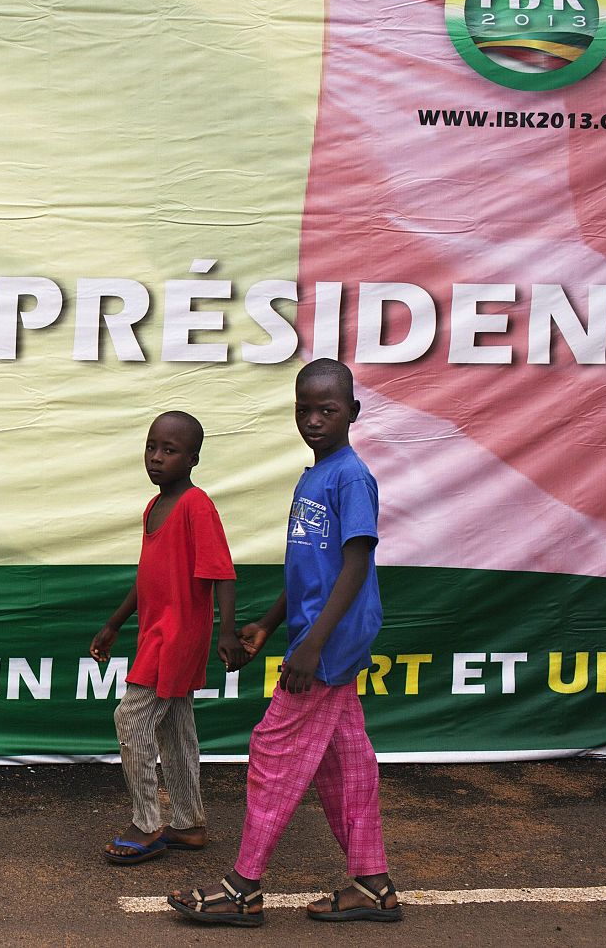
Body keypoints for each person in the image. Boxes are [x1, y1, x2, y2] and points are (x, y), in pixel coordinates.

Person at [169, 358, 400, 924]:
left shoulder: (350, 476)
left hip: (331, 641)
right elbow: (308, 569)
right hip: (314, 634)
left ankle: (243, 889)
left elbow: (354, 563)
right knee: (346, 764)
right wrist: (271, 624)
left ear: (353, 413)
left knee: (273, 749)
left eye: (329, 409)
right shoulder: (312, 476)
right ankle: (373, 885)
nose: (315, 419)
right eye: (305, 409)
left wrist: (314, 645)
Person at [90, 411, 244, 865]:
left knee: (131, 719)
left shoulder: (197, 505)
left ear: (193, 459)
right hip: (156, 633)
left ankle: (145, 821)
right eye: (151, 447)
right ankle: (188, 823)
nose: (156, 458)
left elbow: (222, 573)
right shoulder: (154, 506)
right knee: (176, 730)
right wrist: (115, 623)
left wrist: (228, 630)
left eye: (170, 451)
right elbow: (148, 577)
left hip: (177, 637)